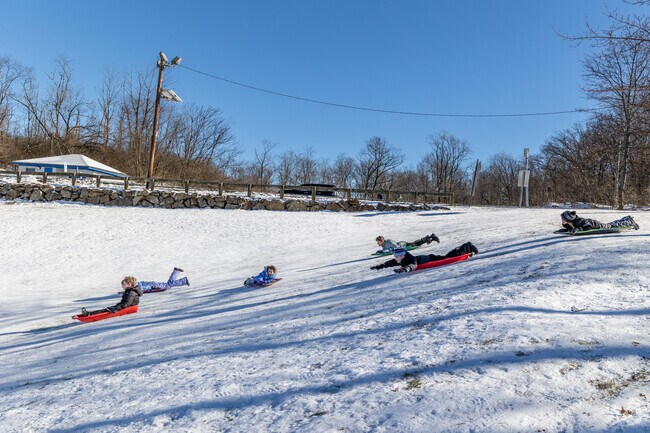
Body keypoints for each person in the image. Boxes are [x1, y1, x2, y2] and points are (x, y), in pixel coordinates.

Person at [371, 243, 478, 274]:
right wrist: (379, 266)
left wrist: (404, 269)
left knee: (447, 257)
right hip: (428, 257)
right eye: (395, 256)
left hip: (431, 258)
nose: (395, 258)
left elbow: (413, 265)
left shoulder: (410, 259)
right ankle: (467, 249)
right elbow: (389, 263)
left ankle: (467, 247)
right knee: (448, 255)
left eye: (397, 256)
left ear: (402, 255)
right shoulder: (401, 259)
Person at [558, 211, 639, 233]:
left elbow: (587, 227)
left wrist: (578, 229)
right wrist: (566, 229)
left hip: (598, 225)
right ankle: (627, 219)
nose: (562, 221)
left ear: (569, 219)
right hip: (594, 223)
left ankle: (629, 220)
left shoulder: (580, 221)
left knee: (613, 225)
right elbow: (572, 227)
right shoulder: (572, 222)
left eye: (563, 220)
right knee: (612, 224)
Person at [375, 233, 440, 254]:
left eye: (378, 242)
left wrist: (388, 250)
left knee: (415, 244)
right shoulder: (383, 245)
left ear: (382, 241)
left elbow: (396, 247)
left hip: (403, 245)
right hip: (402, 245)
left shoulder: (388, 241)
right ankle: (429, 237)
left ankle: (432, 237)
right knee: (416, 243)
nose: (378, 244)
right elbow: (386, 250)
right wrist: (381, 251)